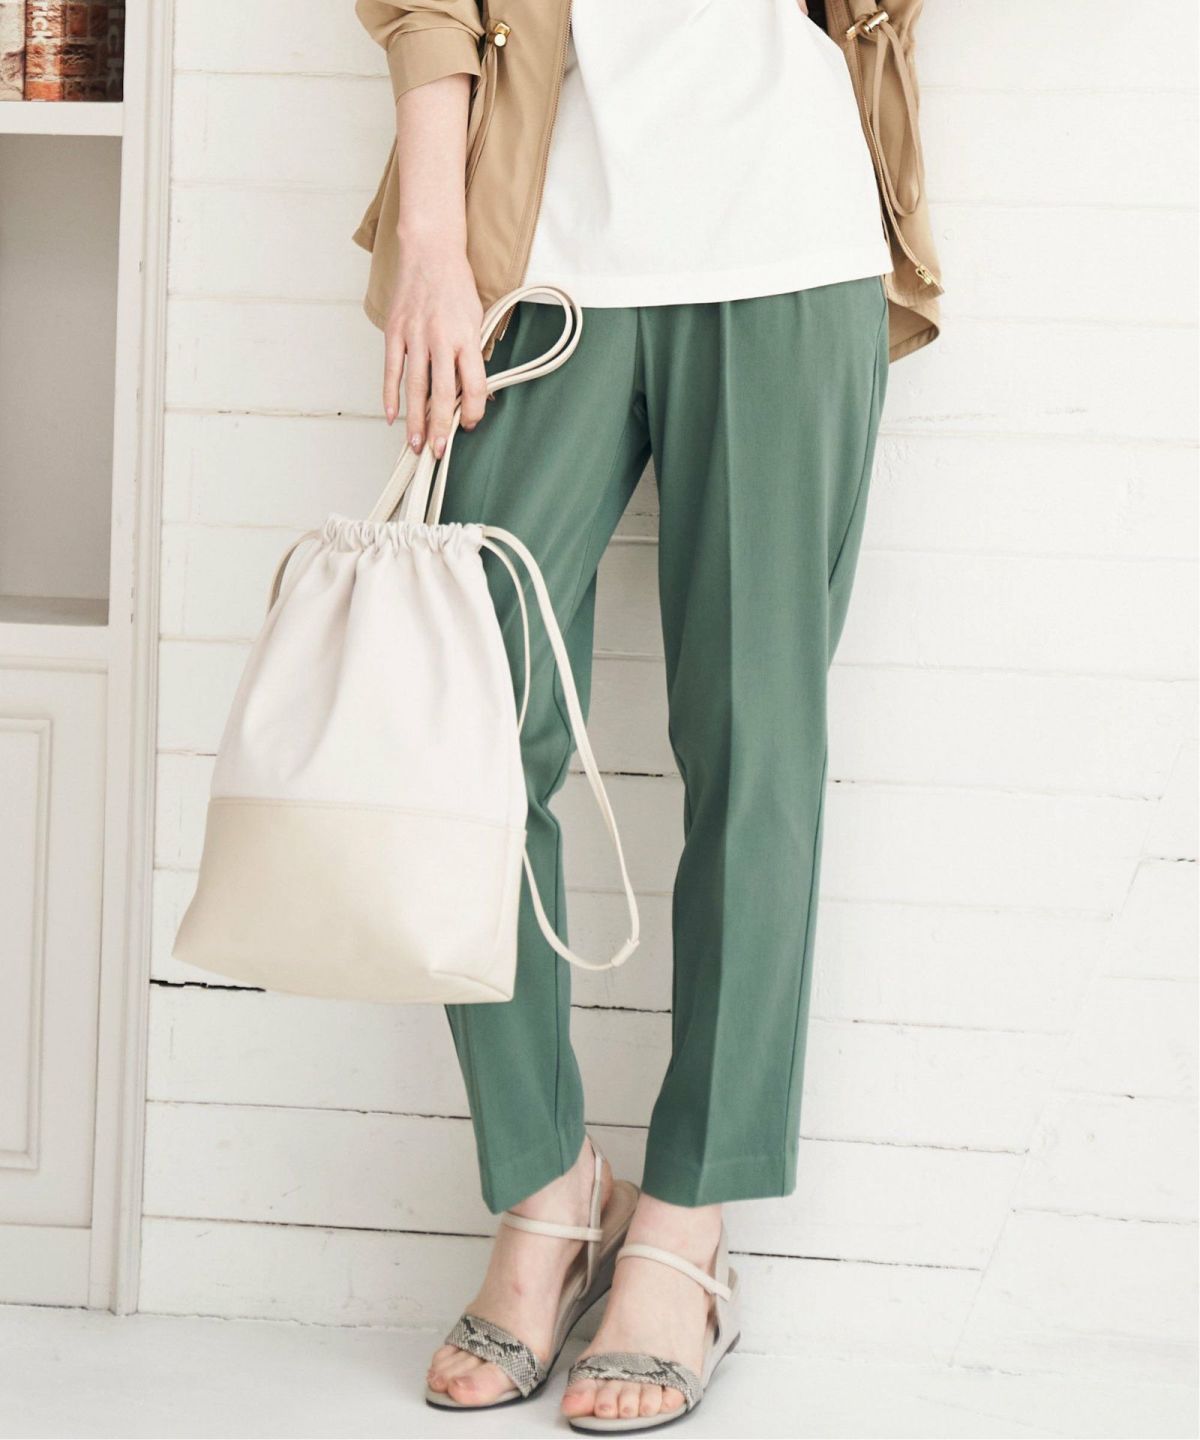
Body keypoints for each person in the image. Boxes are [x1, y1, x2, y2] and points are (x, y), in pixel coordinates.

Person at [353, 0, 942, 1430]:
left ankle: (686, 1224)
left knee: (758, 753)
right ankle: (547, 1188)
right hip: (534, 247)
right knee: (474, 736)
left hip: (789, 241)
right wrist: (431, 232)